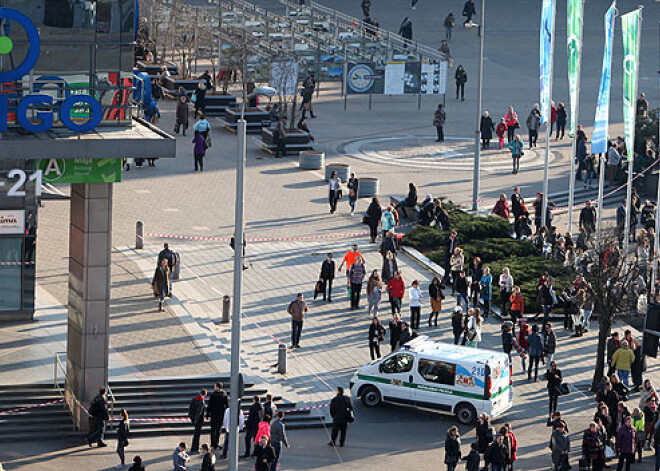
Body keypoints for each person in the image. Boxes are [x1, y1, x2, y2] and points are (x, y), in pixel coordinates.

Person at [207, 382, 228, 450]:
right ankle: (216, 443)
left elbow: (209, 405)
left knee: (213, 429)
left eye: (215, 386)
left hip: (214, 414)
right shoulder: (224, 394)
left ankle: (213, 443)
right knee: (218, 429)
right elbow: (226, 404)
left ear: (218, 387)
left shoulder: (213, 395)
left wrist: (207, 414)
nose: (214, 388)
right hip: (221, 414)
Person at [188, 389, 207, 453]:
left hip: (193, 419)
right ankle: (195, 448)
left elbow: (190, 409)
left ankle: (194, 448)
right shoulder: (202, 401)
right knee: (197, 434)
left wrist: (192, 418)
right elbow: (199, 412)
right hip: (198, 420)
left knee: (196, 434)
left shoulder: (194, 399)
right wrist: (196, 420)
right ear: (205, 394)